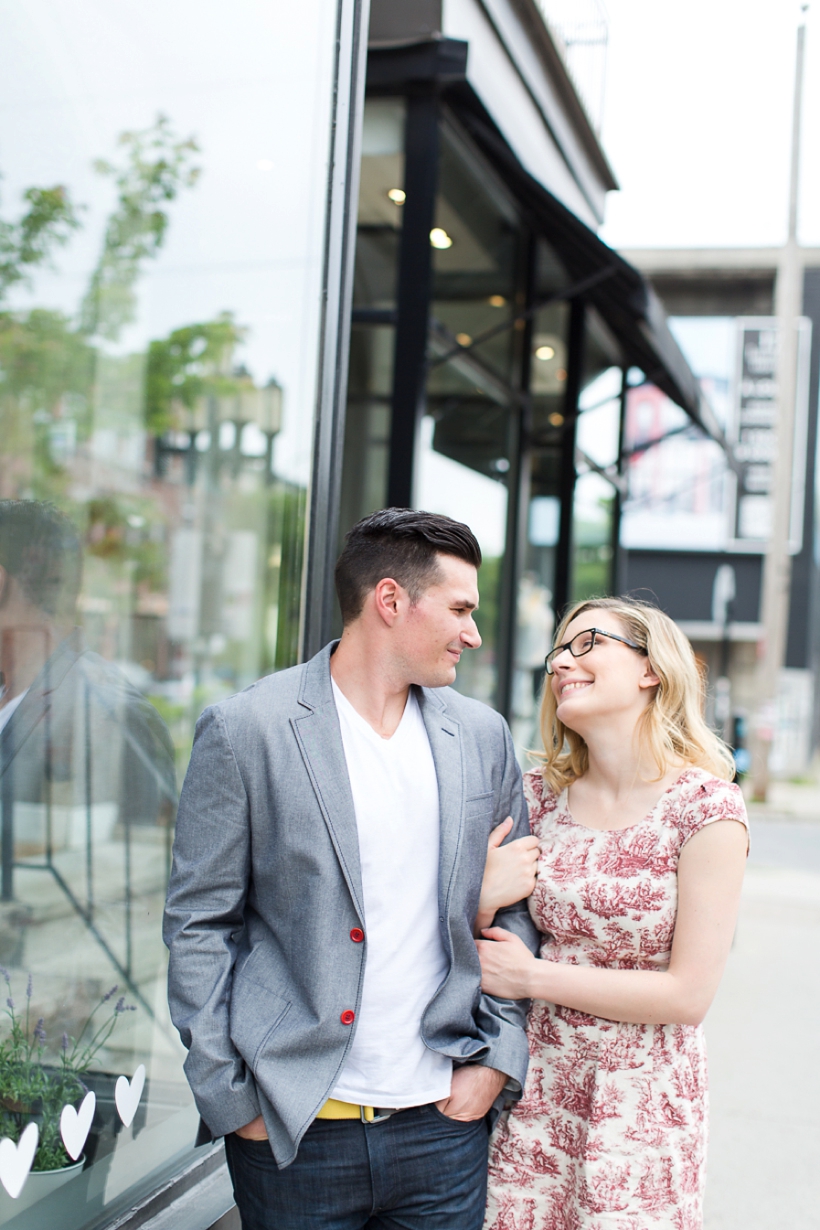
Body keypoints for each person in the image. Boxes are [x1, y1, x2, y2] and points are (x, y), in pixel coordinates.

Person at [163, 508, 540, 1230]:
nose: (474, 633)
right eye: (460, 609)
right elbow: (198, 923)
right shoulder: (248, 730)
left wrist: (496, 1056)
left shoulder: (482, 737)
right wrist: (228, 1094)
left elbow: (516, 908)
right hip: (295, 1129)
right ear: (391, 601)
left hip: (441, 1123)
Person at [475, 596, 748, 1230]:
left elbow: (688, 995)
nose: (562, 663)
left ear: (651, 668)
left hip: (641, 1106)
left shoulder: (705, 810)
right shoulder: (534, 797)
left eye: (587, 643)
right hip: (532, 1090)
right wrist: (483, 896)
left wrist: (534, 978)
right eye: (558, 652)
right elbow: (467, 931)